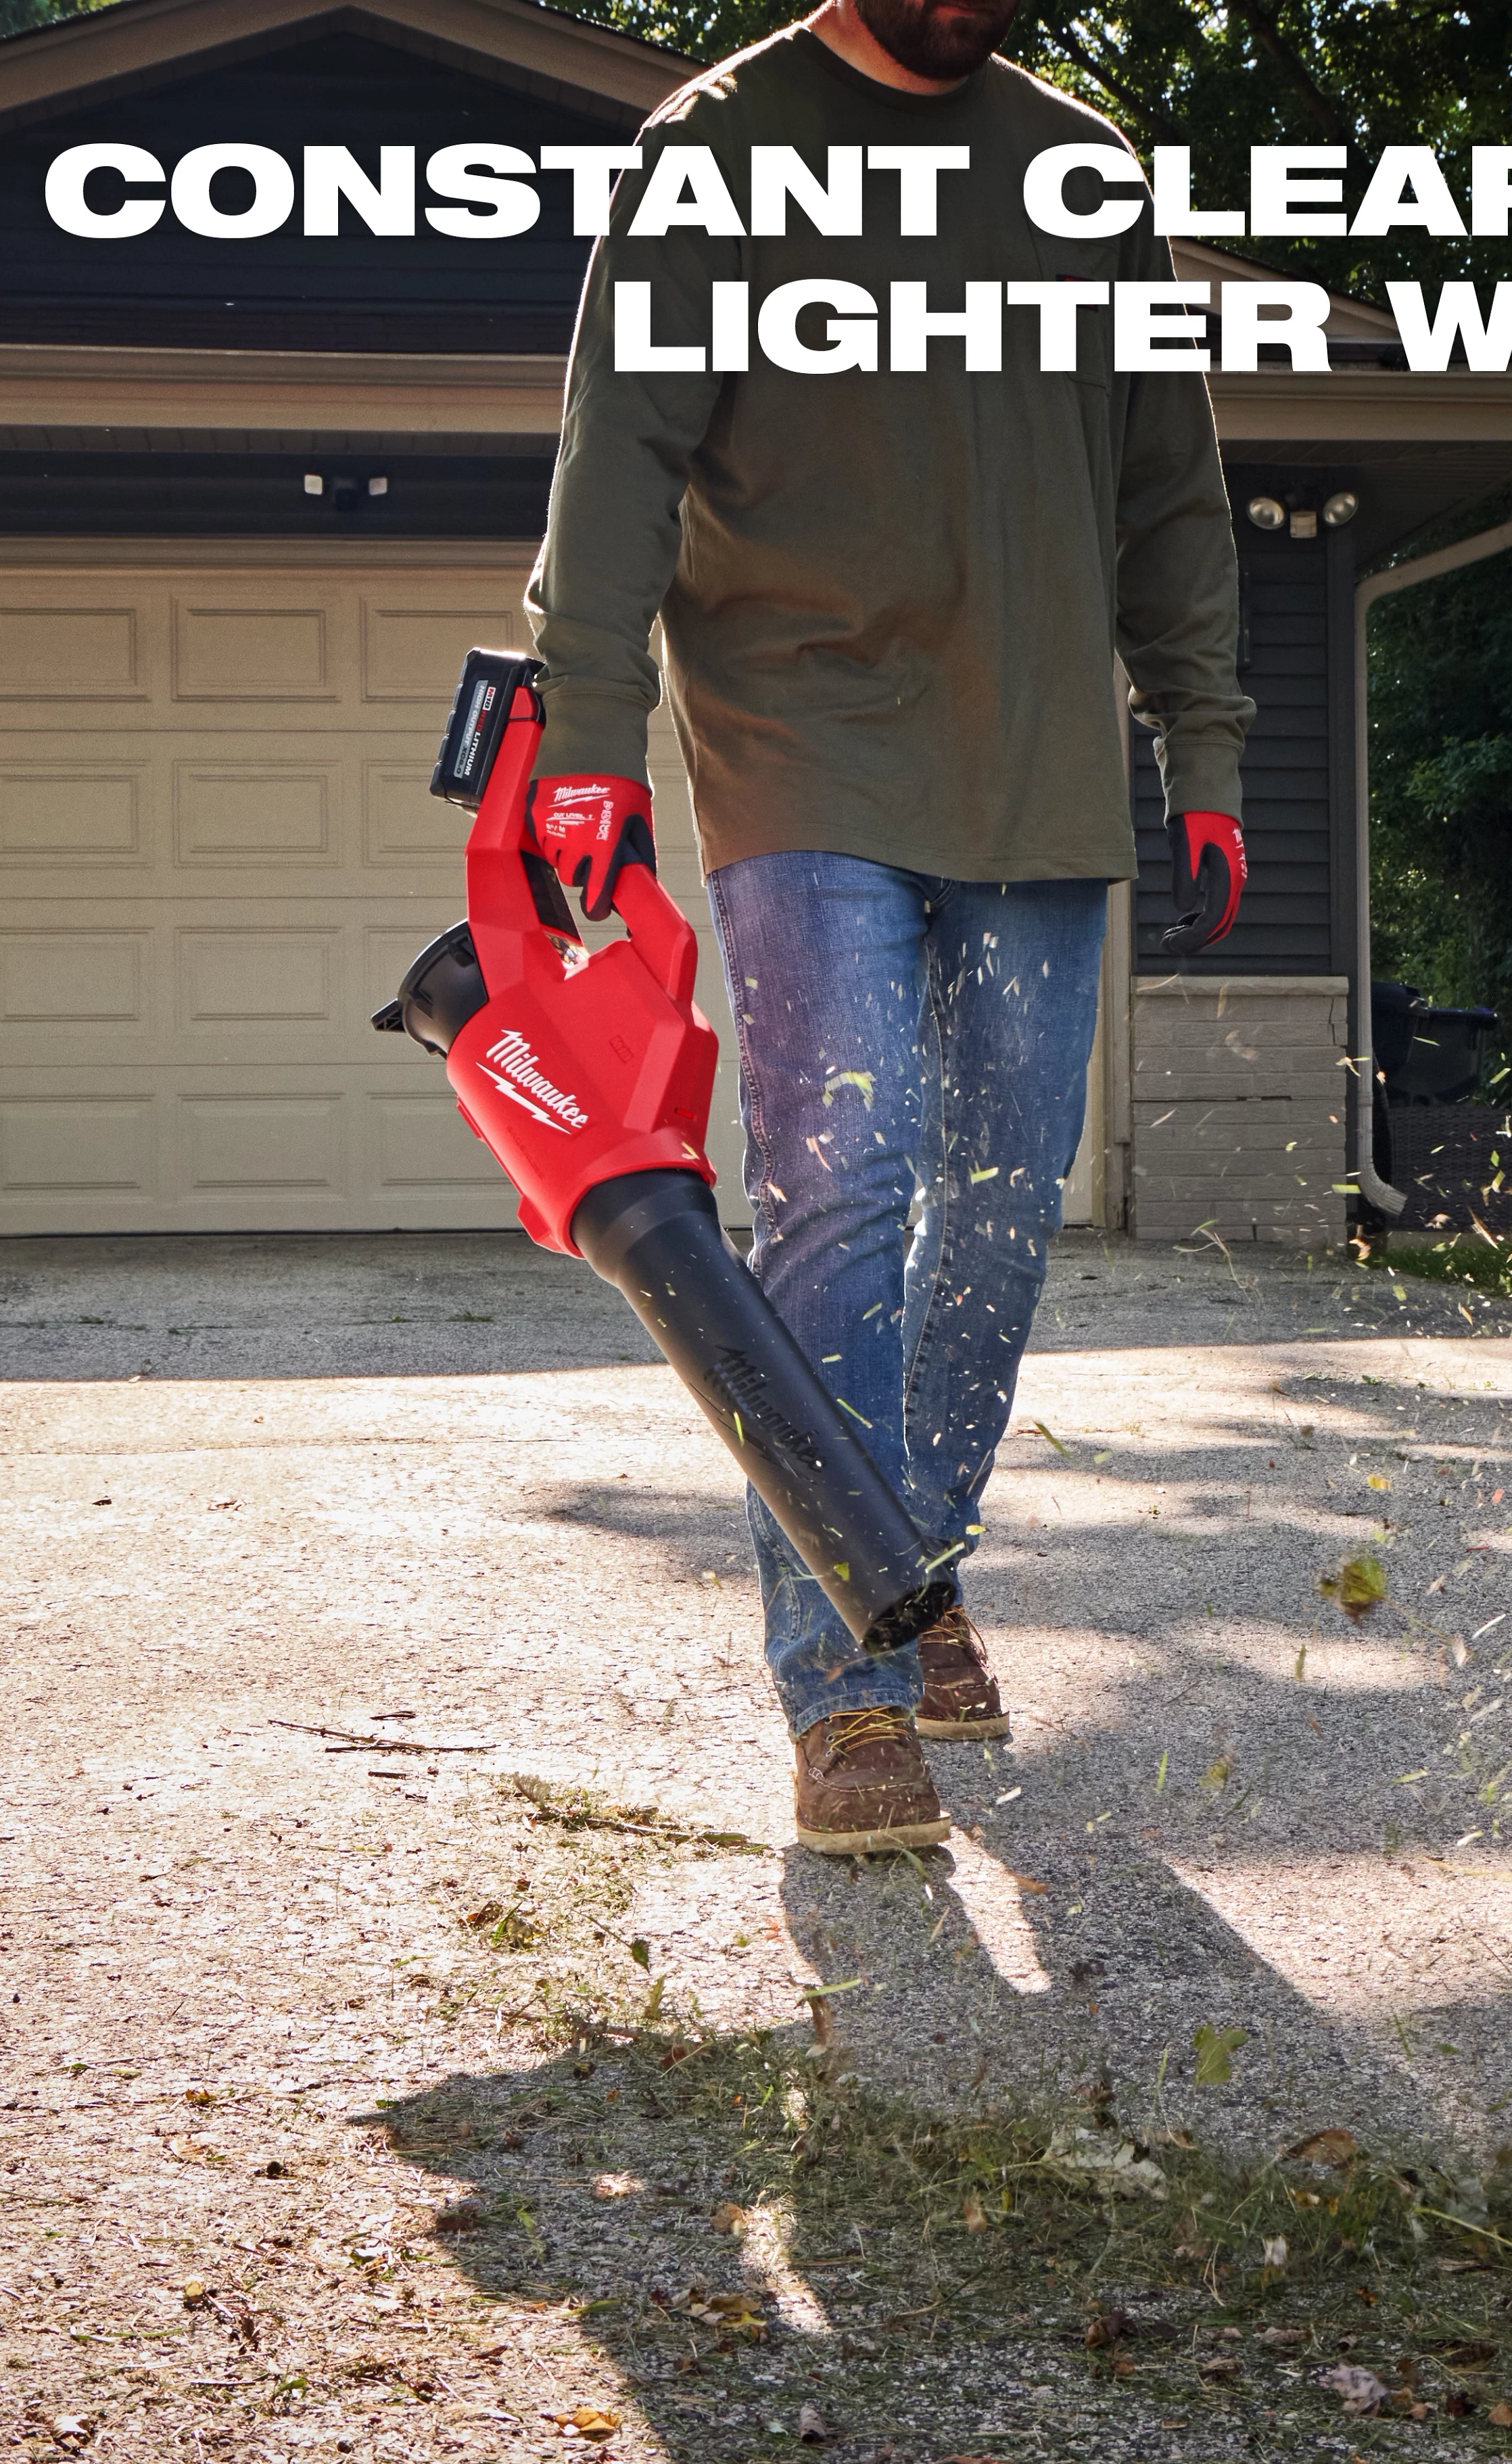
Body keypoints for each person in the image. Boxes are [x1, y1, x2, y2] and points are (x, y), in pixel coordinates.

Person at [523, 0, 1252, 1854]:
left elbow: (1170, 473)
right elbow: (622, 453)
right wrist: (588, 735)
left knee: (1004, 1208)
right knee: (849, 1187)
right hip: (803, 741)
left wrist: (1210, 738)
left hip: (1037, 755)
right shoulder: (724, 138)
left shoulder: (1084, 171)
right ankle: (841, 1685)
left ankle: (910, 1570)